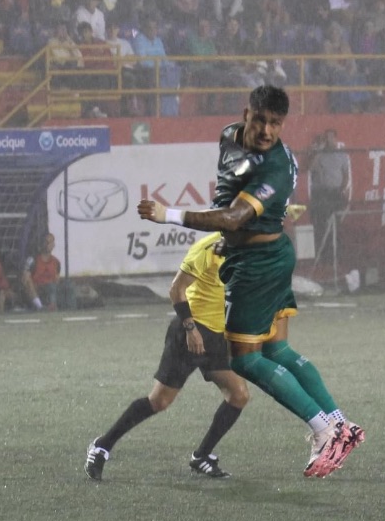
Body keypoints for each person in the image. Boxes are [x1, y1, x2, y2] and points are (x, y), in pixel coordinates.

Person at [136, 85, 364, 478]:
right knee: (276, 350)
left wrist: (167, 214)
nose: (267, 130)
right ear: (246, 115)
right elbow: (230, 197)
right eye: (261, 120)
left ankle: (324, 430)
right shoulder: (229, 137)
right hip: (262, 253)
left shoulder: (275, 166)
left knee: (244, 358)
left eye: (276, 123)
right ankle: (341, 424)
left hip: (259, 264)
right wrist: (232, 238)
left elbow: (233, 216)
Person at [85, 231, 250, 481]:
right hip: (190, 333)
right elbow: (176, 289)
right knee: (159, 401)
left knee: (238, 394)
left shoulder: (249, 247)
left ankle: (201, 456)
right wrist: (190, 329)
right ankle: (102, 446)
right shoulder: (208, 248)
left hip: (217, 337)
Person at [308, 129, 351, 264]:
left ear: (336, 139)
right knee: (322, 224)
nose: (329, 141)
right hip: (323, 193)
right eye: (327, 138)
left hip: (336, 193)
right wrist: (319, 151)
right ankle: (323, 254)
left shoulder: (342, 155)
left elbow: (346, 174)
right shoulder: (320, 155)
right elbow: (311, 168)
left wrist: (342, 189)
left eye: (332, 138)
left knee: (336, 224)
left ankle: (336, 254)